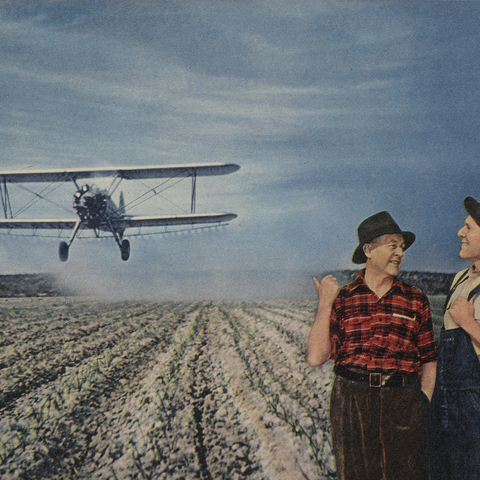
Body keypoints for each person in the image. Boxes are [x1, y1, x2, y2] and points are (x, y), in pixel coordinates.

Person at [307, 211, 438, 480]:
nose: (400, 253)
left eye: (402, 247)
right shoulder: (343, 299)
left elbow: (429, 359)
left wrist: (422, 402)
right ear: (368, 249)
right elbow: (316, 357)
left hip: (402, 402)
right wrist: (325, 304)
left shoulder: (414, 299)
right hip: (352, 400)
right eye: (392, 245)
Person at [428, 196, 480, 480]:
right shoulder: (460, 278)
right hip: (446, 400)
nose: (461, 233)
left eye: (468, 227)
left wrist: (469, 324)